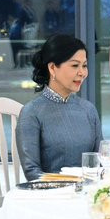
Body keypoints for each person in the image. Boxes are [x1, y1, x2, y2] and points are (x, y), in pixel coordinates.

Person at [16, 34, 102, 180]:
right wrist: (74, 184)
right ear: (52, 68)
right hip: (52, 192)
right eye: (75, 65)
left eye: (84, 65)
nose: (82, 73)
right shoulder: (31, 112)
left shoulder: (89, 110)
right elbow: (32, 173)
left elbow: (100, 160)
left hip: (89, 191)